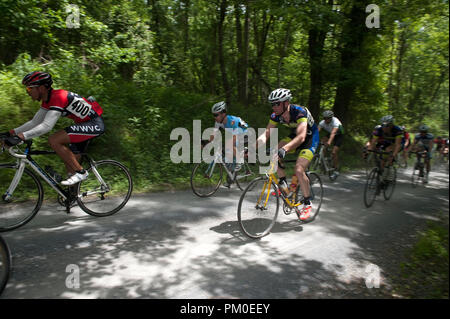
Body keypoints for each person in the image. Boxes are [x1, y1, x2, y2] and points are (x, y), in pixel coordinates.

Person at [1, 71, 104, 186]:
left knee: (54, 140)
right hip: (83, 124)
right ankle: (72, 196)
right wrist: (11, 132)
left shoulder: (58, 97)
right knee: (70, 168)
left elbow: (46, 126)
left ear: (41, 88)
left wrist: (21, 136)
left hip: (93, 124)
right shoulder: (48, 100)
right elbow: (34, 122)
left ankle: (82, 172)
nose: (28, 92)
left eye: (30, 89)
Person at [255, 88, 319, 221]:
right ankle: (284, 186)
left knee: (299, 169)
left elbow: (301, 137)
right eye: (272, 104)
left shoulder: (300, 112)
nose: (274, 107)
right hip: (295, 136)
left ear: (286, 103)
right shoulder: (275, 115)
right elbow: (266, 134)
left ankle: (307, 203)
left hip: (309, 138)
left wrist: (285, 149)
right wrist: (251, 148)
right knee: (274, 152)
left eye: (277, 103)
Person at [208, 101, 249, 187]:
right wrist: (206, 142)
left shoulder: (231, 121)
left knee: (230, 145)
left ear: (223, 113)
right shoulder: (218, 122)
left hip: (245, 133)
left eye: (216, 115)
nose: (214, 117)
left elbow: (234, 138)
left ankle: (240, 162)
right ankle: (231, 177)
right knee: (227, 153)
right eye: (213, 115)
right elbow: (213, 134)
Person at [366, 115, 402, 181]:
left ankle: (390, 172)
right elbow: (373, 142)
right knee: (382, 159)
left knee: (389, 153)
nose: (384, 127)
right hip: (385, 143)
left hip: (393, 144)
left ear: (391, 125)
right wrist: (368, 151)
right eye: (383, 125)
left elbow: (398, 145)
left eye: (387, 125)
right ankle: (381, 177)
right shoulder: (378, 129)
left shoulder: (397, 130)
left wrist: (393, 155)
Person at [318, 110, 344, 179]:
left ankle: (336, 169)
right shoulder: (322, 122)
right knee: (322, 143)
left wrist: (329, 142)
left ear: (331, 118)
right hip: (330, 132)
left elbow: (333, 134)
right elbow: (317, 132)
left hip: (339, 135)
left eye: (328, 118)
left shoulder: (336, 122)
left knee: (334, 152)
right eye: (325, 118)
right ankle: (323, 162)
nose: (326, 120)